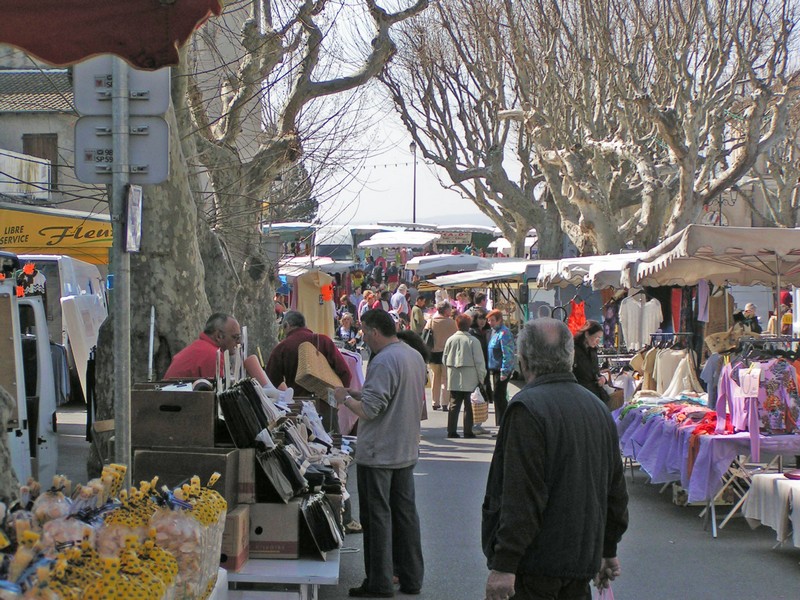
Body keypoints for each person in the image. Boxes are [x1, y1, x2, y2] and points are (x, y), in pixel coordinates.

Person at [482, 318, 629, 600]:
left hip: (538, 561)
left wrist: (505, 565)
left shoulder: (527, 408)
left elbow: (520, 495)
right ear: (570, 356)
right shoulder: (597, 408)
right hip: (580, 557)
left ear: (524, 360)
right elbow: (615, 491)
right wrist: (607, 548)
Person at [333, 309, 426, 598]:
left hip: (380, 451)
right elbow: (391, 396)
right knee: (405, 516)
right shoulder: (412, 355)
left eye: (363, 331)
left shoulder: (384, 360)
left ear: (373, 331)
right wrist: (359, 393)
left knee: (377, 519)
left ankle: (379, 582)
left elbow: (371, 410)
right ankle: (411, 578)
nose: (362, 337)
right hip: (405, 448)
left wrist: (345, 398)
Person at [265, 310, 351, 395]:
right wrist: (338, 398)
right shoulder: (323, 341)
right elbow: (345, 372)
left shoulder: (282, 348)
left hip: (297, 404)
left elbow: (270, 380)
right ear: (305, 325)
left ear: (286, 325)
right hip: (325, 403)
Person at [443, 313, 487, 438]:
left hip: (454, 375)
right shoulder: (473, 341)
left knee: (454, 403)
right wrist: (481, 378)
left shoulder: (450, 340)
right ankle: (468, 431)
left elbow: (444, 358)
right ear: (468, 326)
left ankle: (451, 430)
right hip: (470, 376)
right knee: (469, 404)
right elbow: (479, 362)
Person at [164, 313, 241, 379]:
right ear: (218, 336)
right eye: (235, 337)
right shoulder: (213, 354)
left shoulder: (201, 347)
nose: (238, 342)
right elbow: (218, 392)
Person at [426, 300, 458, 411]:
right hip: (447, 353)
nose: (451, 310)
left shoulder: (430, 321)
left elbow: (425, 335)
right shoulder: (452, 323)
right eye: (449, 308)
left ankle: (435, 402)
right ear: (445, 310)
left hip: (433, 353)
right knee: (446, 378)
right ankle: (445, 403)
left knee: (435, 377)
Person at [487, 309, 515, 425]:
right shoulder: (495, 332)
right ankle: (500, 423)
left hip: (501, 369)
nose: (490, 323)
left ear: (499, 320)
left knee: (499, 396)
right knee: (498, 396)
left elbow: (507, 353)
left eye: (492, 320)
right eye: (489, 320)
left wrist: (505, 370)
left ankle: (504, 423)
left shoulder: (504, 333)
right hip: (495, 369)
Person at [572, 320, 609, 405]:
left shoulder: (593, 351)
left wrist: (603, 378)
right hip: (581, 398)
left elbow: (596, 372)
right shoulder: (573, 350)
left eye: (600, 338)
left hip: (596, 396)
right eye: (596, 337)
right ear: (587, 334)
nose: (598, 341)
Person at [469, 309, 493, 435]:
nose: (483, 321)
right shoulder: (472, 332)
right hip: (477, 367)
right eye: (480, 318)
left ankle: (479, 423)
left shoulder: (488, 331)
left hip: (486, 366)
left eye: (484, 319)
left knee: (483, 395)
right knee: (476, 395)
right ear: (475, 319)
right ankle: (474, 424)